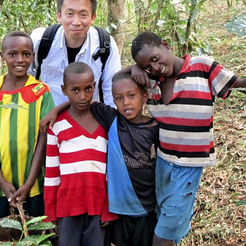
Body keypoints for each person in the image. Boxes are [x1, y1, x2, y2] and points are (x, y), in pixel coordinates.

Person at [124, 31, 246, 246]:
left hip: (188, 168)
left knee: (162, 236)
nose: (154, 67)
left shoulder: (202, 67)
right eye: (147, 66)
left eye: (155, 58)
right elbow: (118, 81)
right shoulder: (152, 81)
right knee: (165, 222)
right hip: (162, 165)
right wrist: (133, 68)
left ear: (166, 45)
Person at [42, 72, 160, 246]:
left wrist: (134, 68)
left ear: (144, 97)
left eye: (131, 96)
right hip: (115, 208)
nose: (126, 102)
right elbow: (81, 100)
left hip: (146, 207)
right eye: (119, 98)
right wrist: (56, 109)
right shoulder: (111, 120)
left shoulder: (155, 128)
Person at [0, 31, 55, 229]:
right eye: (13, 54)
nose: (20, 59)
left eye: (26, 54)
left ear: (33, 56)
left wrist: (28, 184)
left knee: (35, 231)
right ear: (2, 56)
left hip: (34, 185)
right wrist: (2, 183)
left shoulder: (41, 92)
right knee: (2, 231)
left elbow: (43, 141)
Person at [43, 62, 117, 246]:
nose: (83, 96)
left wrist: (109, 207)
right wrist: (50, 213)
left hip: (98, 205)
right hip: (67, 207)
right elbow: (52, 174)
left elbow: (112, 171)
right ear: (64, 90)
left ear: (94, 86)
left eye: (88, 89)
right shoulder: (56, 126)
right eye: (75, 90)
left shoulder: (105, 123)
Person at [28, 0, 122, 107]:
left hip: (89, 119)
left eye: (83, 15)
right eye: (70, 14)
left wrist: (113, 124)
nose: (76, 22)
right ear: (59, 16)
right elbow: (25, 80)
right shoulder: (41, 40)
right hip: (49, 118)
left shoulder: (105, 44)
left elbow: (112, 91)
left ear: (93, 17)